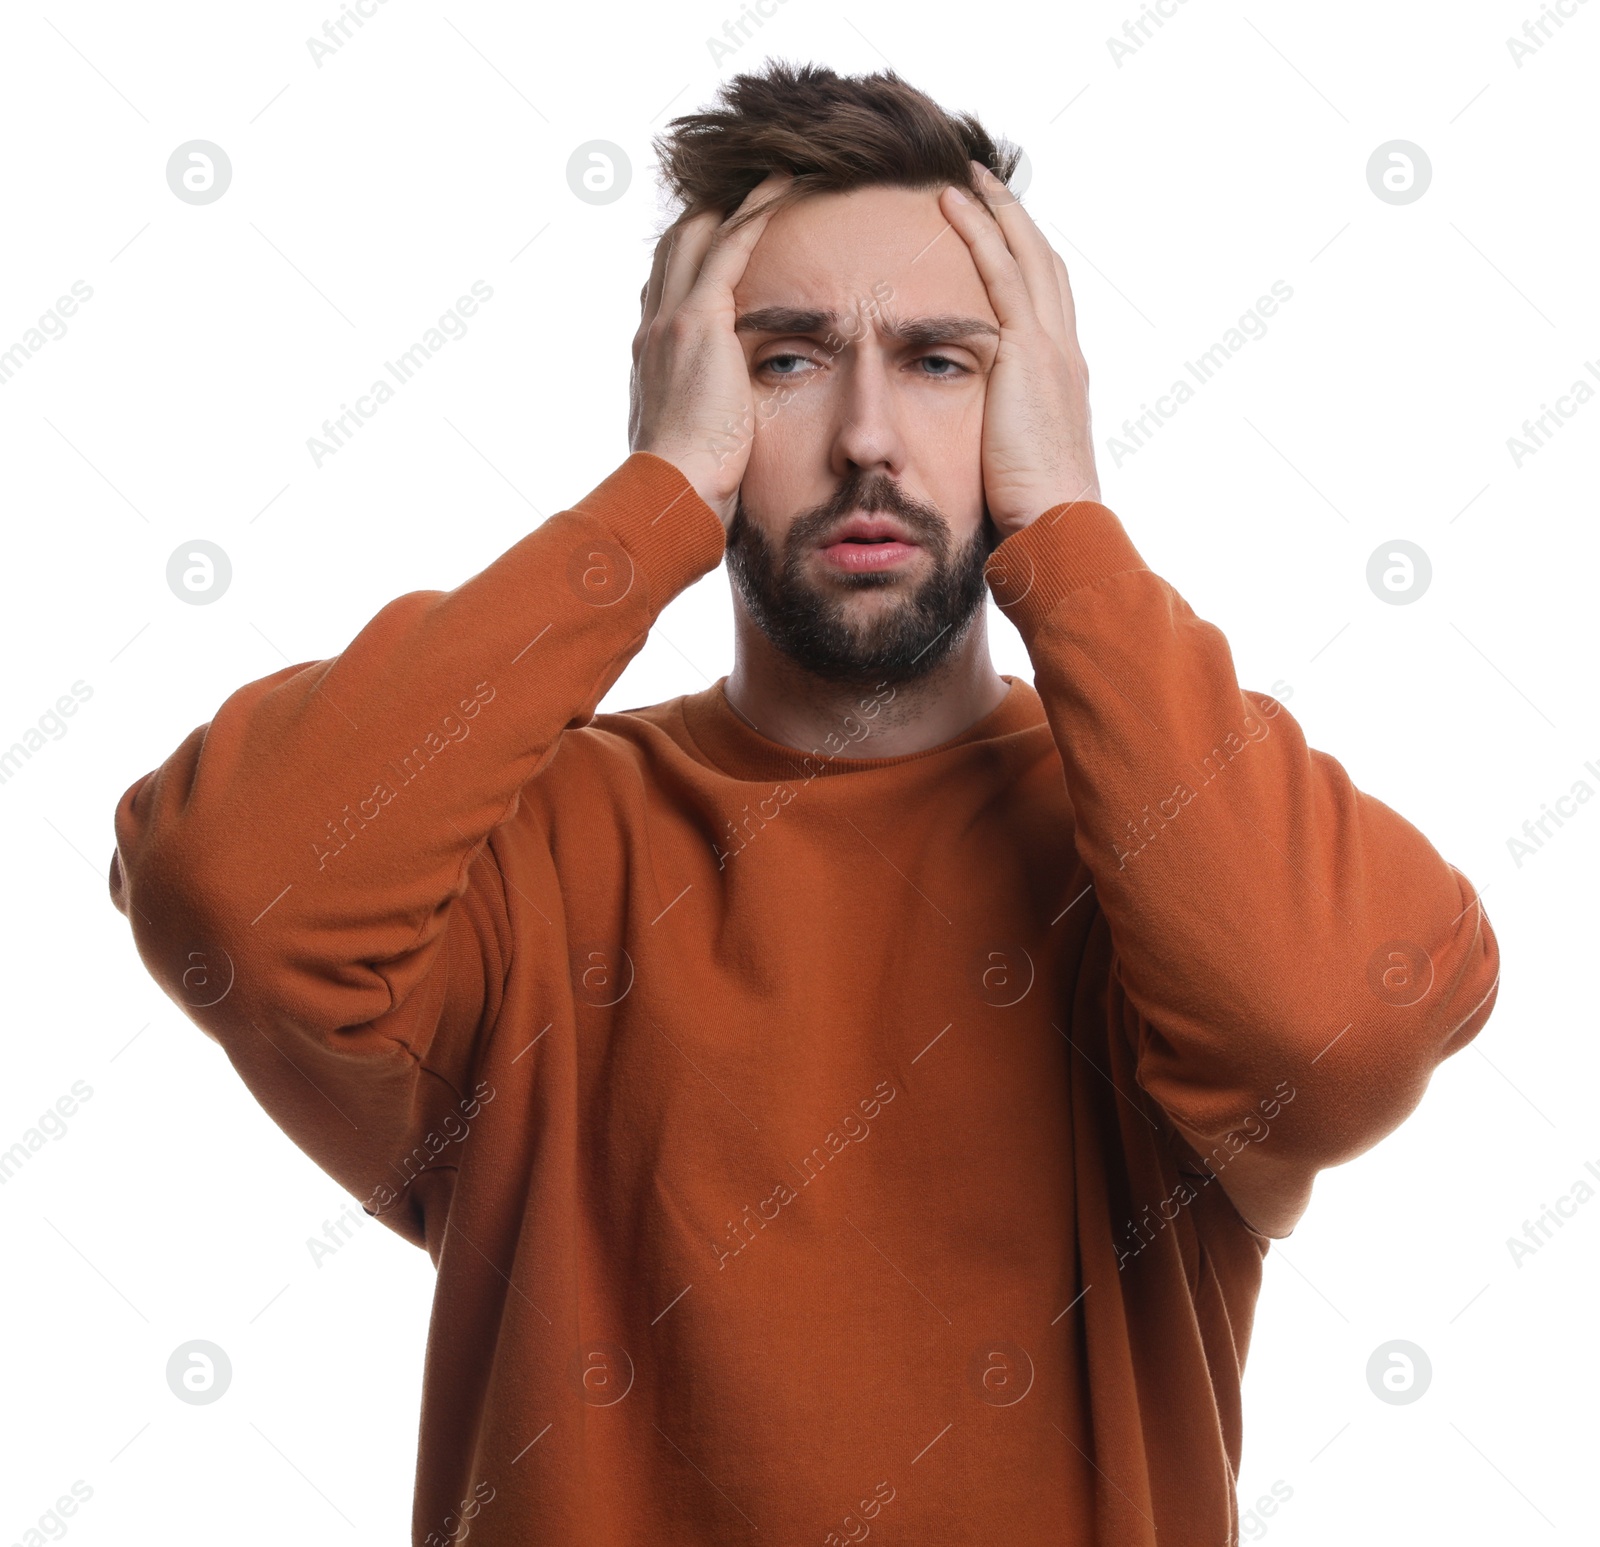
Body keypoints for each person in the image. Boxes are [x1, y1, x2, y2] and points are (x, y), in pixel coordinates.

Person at [108, 60, 1500, 1547]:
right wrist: (651, 503)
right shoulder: (527, 855)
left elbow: (1333, 1022)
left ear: (1032, 401)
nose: (867, 440)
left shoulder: (1147, 848)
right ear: (688, 396)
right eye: (784, 360)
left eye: (942, 361)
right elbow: (228, 894)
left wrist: (1072, 528)